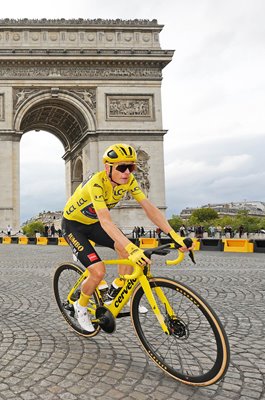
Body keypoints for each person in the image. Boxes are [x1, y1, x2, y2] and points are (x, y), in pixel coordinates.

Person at [62, 143, 193, 332]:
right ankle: (80, 307)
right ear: (108, 167)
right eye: (122, 168)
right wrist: (132, 249)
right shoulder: (96, 183)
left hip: (94, 223)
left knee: (127, 249)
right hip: (74, 226)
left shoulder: (130, 181)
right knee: (99, 272)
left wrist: (174, 235)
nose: (127, 172)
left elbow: (148, 207)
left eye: (131, 167)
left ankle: (118, 289)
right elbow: (106, 222)